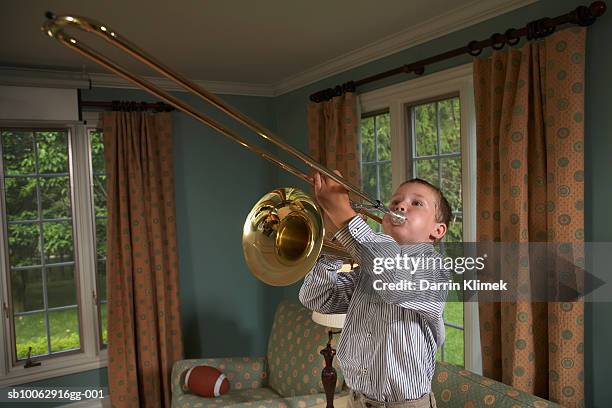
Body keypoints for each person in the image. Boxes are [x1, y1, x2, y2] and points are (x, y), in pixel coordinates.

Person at [299, 172, 453, 408]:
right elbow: (317, 298)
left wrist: (344, 217)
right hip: (357, 400)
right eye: (395, 201)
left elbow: (395, 282)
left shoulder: (435, 269)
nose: (401, 205)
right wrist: (331, 244)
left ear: (437, 231)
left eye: (416, 203)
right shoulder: (366, 271)